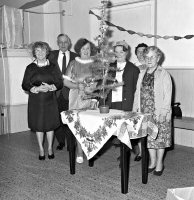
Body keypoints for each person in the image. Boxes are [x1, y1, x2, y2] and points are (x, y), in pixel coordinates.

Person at [133, 46, 172, 176]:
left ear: (158, 58)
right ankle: (153, 161)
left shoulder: (163, 73)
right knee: (149, 138)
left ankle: (160, 163)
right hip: (144, 112)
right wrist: (135, 110)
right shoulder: (141, 73)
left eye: (152, 57)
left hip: (159, 112)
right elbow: (137, 93)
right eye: (147, 57)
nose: (149, 59)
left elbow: (168, 96)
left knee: (160, 139)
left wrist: (164, 112)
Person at [22, 41, 63, 160]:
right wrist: (36, 88)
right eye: (37, 51)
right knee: (39, 125)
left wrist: (51, 87)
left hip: (50, 99)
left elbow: (59, 83)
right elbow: (24, 84)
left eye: (43, 50)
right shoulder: (30, 67)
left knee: (50, 125)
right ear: (34, 53)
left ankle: (50, 148)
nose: (40, 53)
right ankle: (41, 149)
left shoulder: (53, 67)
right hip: (36, 101)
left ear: (47, 52)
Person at [63, 38, 98, 164]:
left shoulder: (95, 63)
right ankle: (79, 152)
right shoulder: (73, 63)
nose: (86, 51)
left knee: (90, 125)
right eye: (83, 48)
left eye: (88, 48)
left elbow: (100, 84)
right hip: (76, 96)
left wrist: (94, 97)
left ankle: (90, 150)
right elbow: (66, 82)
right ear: (78, 50)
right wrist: (77, 86)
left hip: (90, 97)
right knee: (78, 125)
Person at [48, 34, 77, 150]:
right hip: (54, 93)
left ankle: (71, 142)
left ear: (69, 43)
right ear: (57, 43)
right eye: (61, 42)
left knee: (71, 119)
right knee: (56, 118)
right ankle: (61, 141)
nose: (63, 44)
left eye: (65, 42)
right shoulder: (50, 56)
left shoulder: (76, 56)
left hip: (70, 92)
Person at [133, 43, 148, 162]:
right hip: (136, 100)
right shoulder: (132, 67)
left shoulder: (151, 66)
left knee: (148, 124)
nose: (141, 54)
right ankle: (140, 152)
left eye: (144, 51)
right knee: (137, 125)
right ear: (136, 54)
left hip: (148, 101)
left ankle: (149, 151)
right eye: (139, 51)